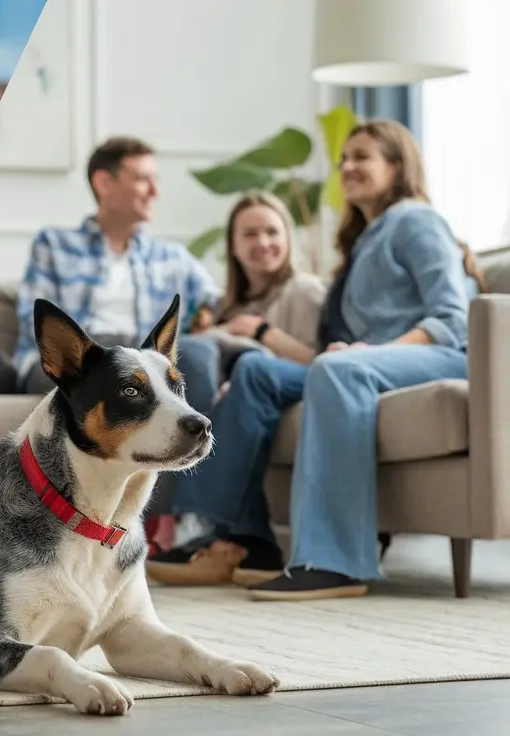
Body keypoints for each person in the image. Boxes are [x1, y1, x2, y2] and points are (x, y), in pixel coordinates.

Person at [146, 120, 483, 601]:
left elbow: (453, 318)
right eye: (343, 158)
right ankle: (239, 536)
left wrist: (373, 352)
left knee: (334, 368)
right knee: (256, 372)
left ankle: (334, 562)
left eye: (362, 157)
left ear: (397, 164)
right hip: (366, 366)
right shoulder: (364, 242)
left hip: (435, 357)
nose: (347, 166)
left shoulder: (415, 220)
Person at [158, 191, 327, 553]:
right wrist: (228, 329)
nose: (263, 242)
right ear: (233, 246)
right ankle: (201, 526)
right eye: (250, 234)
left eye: (272, 232)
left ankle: (195, 522)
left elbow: (323, 364)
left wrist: (263, 333)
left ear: (287, 238)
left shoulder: (304, 290)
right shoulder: (227, 306)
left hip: (287, 389)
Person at [12, 137, 224, 412]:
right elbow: (36, 320)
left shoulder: (172, 257)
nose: (155, 192)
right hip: (81, 357)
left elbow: (218, 301)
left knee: (199, 355)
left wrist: (205, 319)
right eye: (143, 179)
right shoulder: (55, 245)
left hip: (143, 355)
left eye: (155, 180)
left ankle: (200, 451)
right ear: (104, 183)